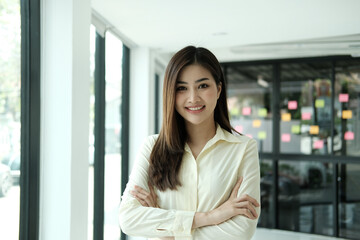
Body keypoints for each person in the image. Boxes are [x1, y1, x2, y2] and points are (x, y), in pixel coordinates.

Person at [119, 46, 260, 240]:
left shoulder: (243, 149)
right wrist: (211, 217)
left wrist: (165, 229)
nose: (193, 98)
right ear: (171, 93)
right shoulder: (152, 147)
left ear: (219, 89)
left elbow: (242, 230)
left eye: (203, 86)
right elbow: (128, 219)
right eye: (181, 88)